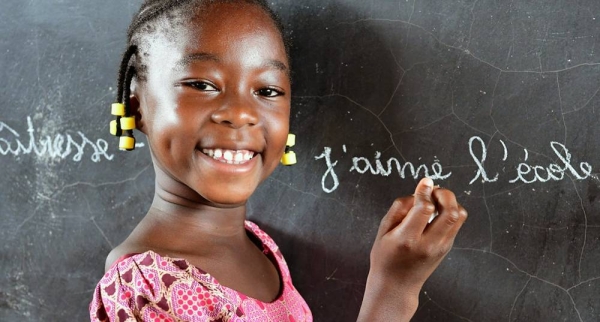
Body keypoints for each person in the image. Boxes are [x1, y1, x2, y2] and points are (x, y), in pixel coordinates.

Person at [89, 1, 468, 321]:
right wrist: (393, 291)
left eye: (267, 90)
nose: (240, 113)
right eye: (202, 84)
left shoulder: (260, 246)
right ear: (137, 106)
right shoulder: (144, 288)